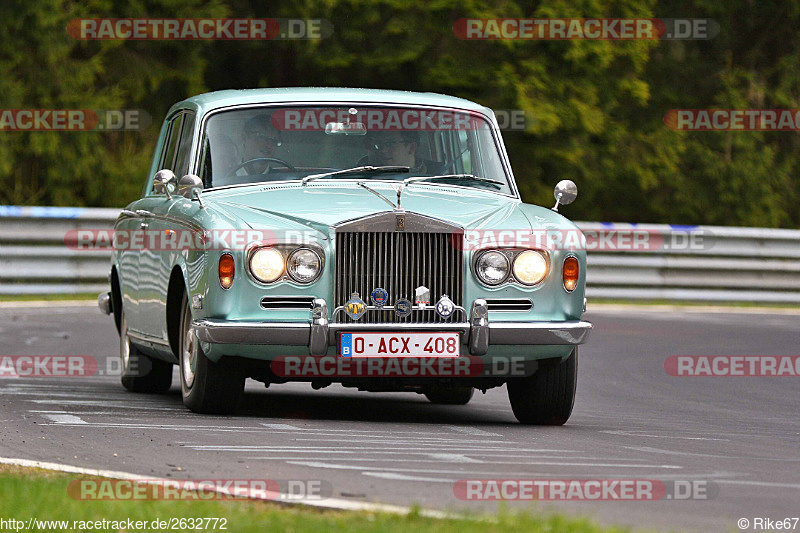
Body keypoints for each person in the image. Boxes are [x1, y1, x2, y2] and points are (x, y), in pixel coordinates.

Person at [359, 131, 443, 175]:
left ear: (411, 148)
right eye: (379, 144)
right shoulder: (358, 175)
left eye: (390, 143)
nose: (383, 150)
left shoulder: (440, 177)